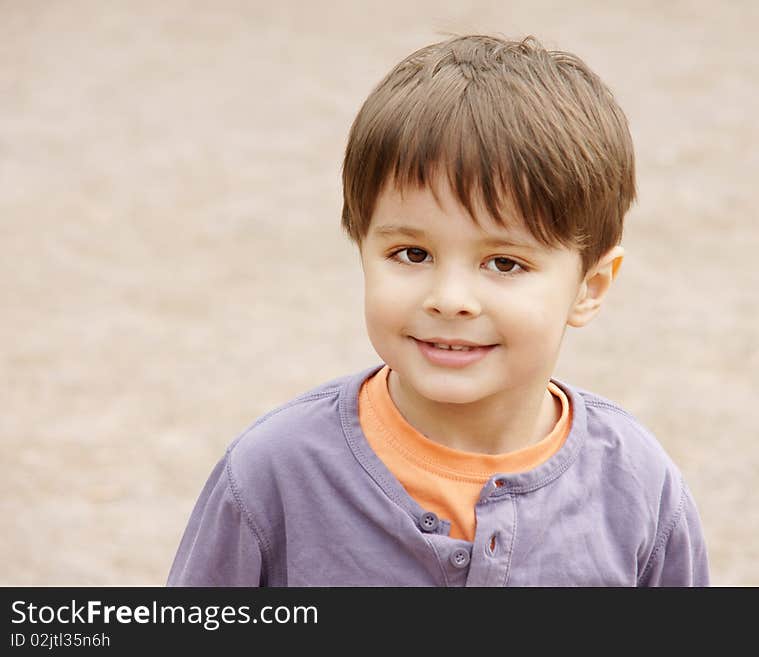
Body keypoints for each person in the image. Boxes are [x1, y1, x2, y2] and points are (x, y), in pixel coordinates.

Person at [167, 34, 709, 586]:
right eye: (413, 254)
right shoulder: (273, 475)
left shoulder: (637, 485)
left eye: (503, 263)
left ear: (589, 287)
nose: (449, 299)